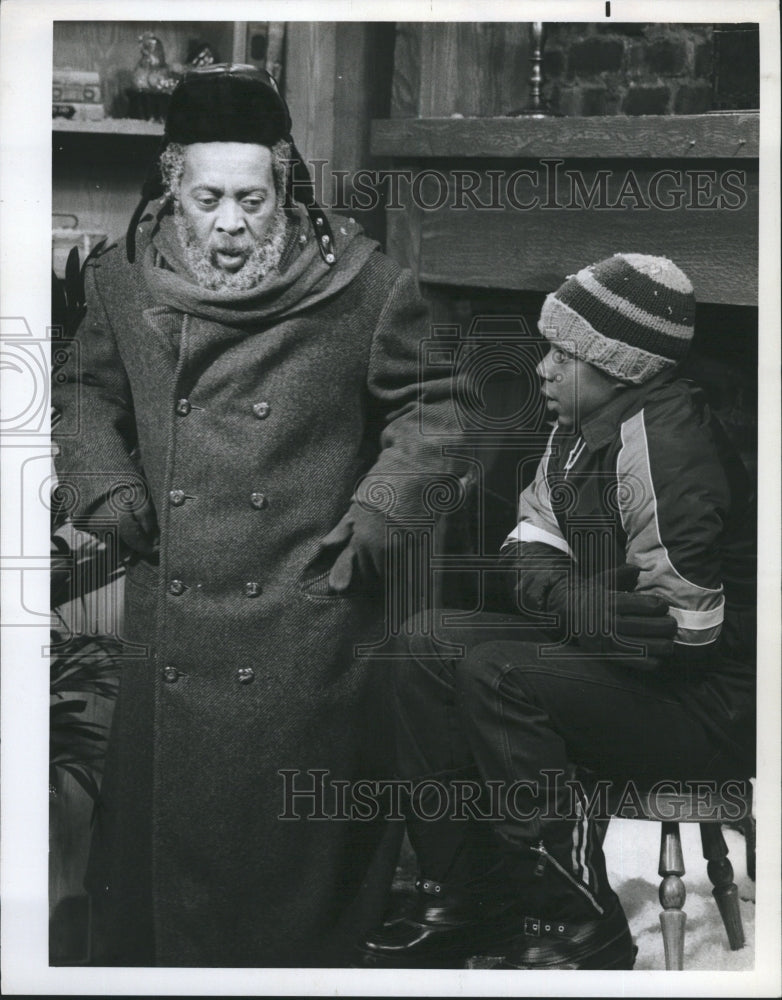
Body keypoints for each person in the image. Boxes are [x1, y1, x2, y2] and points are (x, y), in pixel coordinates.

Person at [52, 64, 463, 967]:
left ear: (284, 184)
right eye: (208, 198)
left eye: (251, 196)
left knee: (287, 900)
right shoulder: (123, 283)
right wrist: (107, 486)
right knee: (166, 909)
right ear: (172, 185)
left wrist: (382, 511)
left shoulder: (366, 286)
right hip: (177, 615)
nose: (231, 225)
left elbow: (438, 410)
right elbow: (83, 394)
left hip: (305, 618)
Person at [356, 253, 757, 970]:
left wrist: (579, 609)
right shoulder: (577, 424)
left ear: (621, 366)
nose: (542, 368)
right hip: (625, 660)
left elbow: (690, 635)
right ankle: (470, 898)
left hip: (710, 705)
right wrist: (572, 602)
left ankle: (576, 919)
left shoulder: (667, 446)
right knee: (425, 642)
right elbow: (528, 540)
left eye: (564, 354)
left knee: (498, 670)